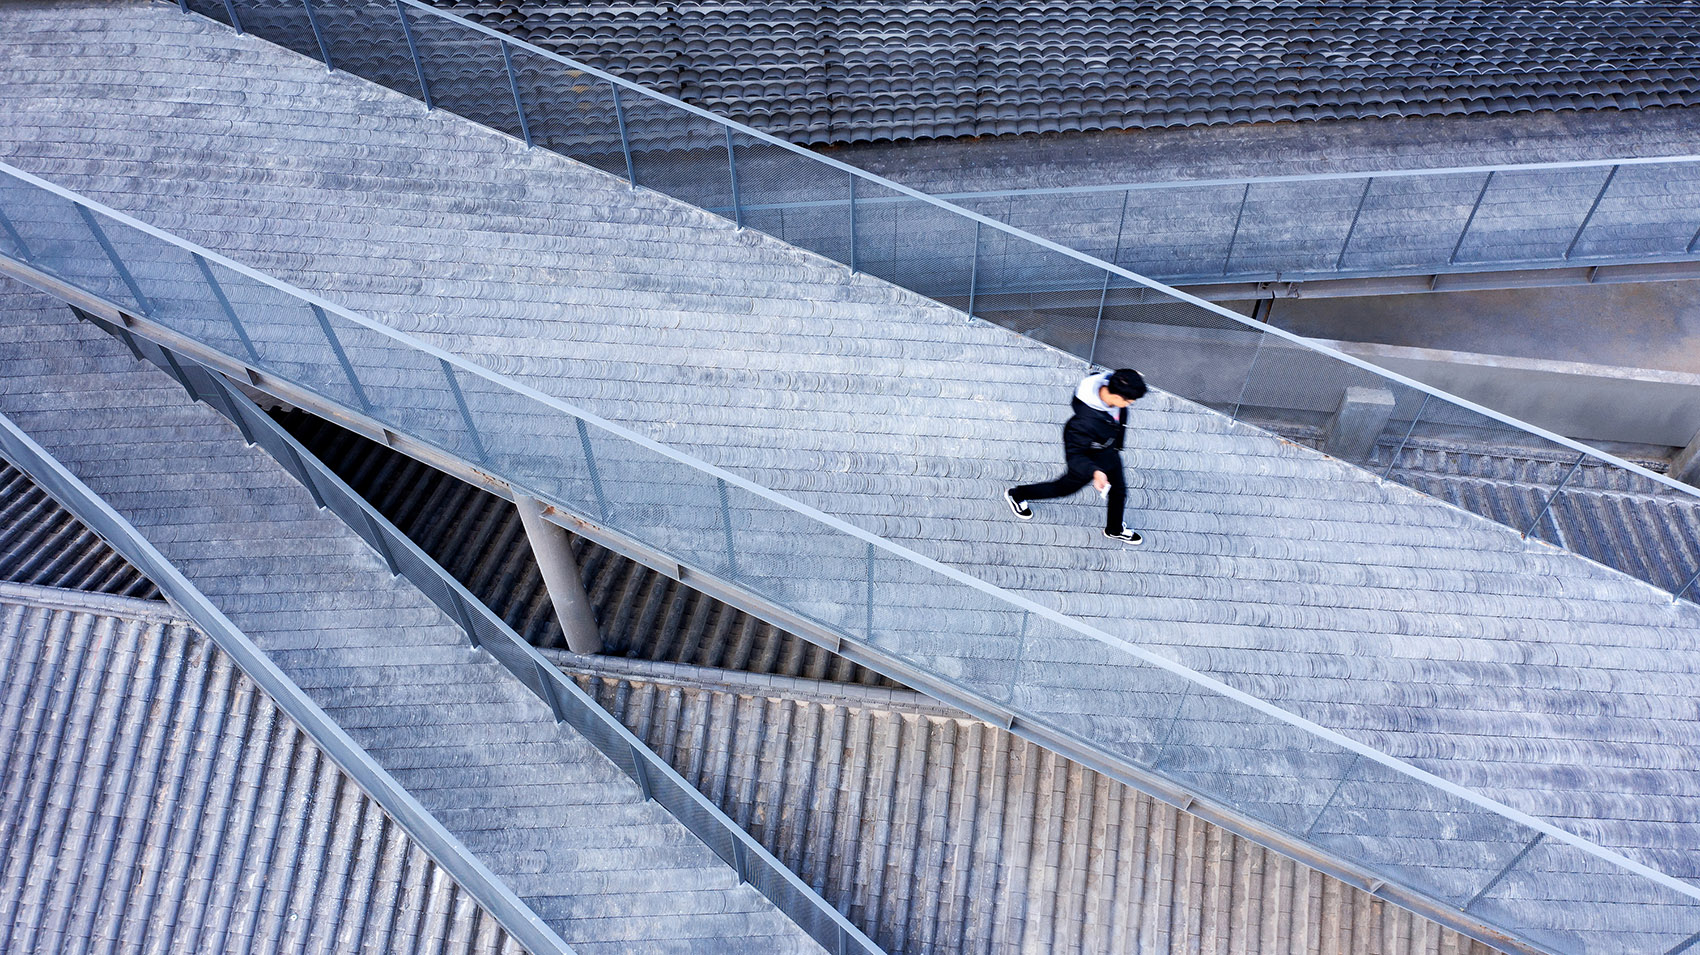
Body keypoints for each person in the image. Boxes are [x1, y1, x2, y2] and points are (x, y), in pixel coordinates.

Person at [1006, 368, 1147, 544]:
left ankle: (1114, 529)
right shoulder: (1083, 423)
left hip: (1108, 451)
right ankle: (1017, 494)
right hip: (1089, 458)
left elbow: (1118, 378)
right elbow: (1075, 455)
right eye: (1130, 402)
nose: (1130, 405)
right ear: (1118, 398)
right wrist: (1095, 471)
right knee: (1062, 488)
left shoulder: (1111, 384)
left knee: (1119, 491)